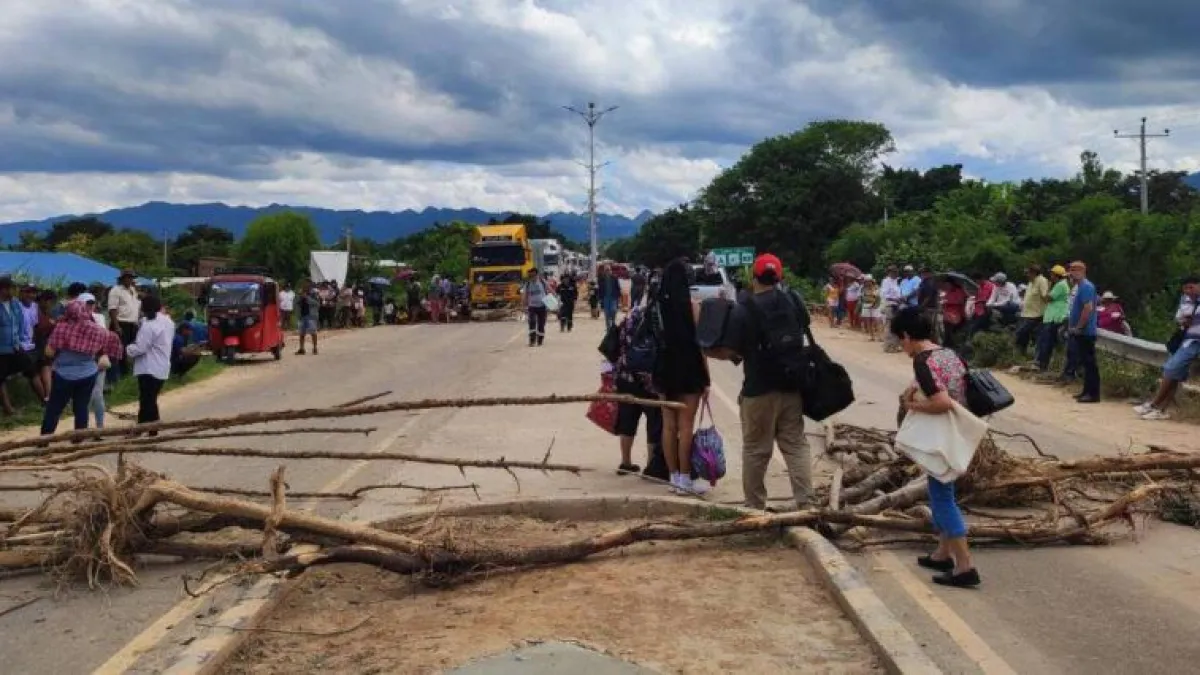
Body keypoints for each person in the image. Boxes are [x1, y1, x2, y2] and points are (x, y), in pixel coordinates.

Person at [707, 253, 812, 510]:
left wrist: (707, 350)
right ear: (780, 277)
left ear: (753, 277)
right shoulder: (794, 301)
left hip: (758, 388)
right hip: (792, 386)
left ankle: (755, 507)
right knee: (796, 445)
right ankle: (807, 504)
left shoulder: (745, 308)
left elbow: (730, 350)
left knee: (756, 449)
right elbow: (804, 328)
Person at [891, 307, 981, 588]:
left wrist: (912, 406)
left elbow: (941, 401)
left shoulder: (923, 361)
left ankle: (965, 566)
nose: (900, 345)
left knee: (942, 498)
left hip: (941, 436)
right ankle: (942, 553)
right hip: (958, 434)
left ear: (907, 335)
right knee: (944, 489)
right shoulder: (948, 354)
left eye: (899, 339)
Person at [653, 259, 711, 495]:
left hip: (664, 369)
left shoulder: (656, 306)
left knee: (668, 426)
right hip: (689, 369)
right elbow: (701, 347)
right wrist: (707, 380)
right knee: (685, 426)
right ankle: (686, 478)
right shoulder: (693, 307)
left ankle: (674, 477)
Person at [41, 300, 122, 436]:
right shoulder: (96, 329)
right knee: (81, 407)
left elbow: (49, 352)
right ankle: (79, 438)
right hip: (88, 373)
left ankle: (45, 439)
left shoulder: (62, 327)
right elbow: (111, 340)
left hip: (64, 374)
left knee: (54, 408)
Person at [1135, 276, 1200, 421]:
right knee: (1173, 373)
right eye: (1186, 288)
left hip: (1195, 341)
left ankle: (1155, 404)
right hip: (1186, 339)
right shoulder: (1187, 299)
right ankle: (1161, 409)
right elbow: (1179, 317)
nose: (1188, 291)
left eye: (1191, 287)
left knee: (1171, 370)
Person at [612, 303, 664, 477]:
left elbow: (617, 341)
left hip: (626, 377)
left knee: (627, 419)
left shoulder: (631, 315)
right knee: (655, 422)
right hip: (651, 380)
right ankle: (650, 465)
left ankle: (625, 462)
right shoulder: (661, 316)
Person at [126, 296, 174, 432]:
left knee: (147, 400)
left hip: (148, 367)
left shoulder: (149, 326)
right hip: (162, 365)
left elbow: (140, 348)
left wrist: (127, 349)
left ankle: (146, 428)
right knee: (149, 398)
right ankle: (149, 428)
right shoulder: (168, 321)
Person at [1067, 261, 1100, 403]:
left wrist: (1079, 327)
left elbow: (1088, 308)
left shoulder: (1086, 286)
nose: (1072, 273)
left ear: (1082, 271)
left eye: (1075, 270)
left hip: (1085, 332)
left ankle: (1093, 394)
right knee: (1085, 363)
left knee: (1089, 363)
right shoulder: (1079, 287)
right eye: (1071, 270)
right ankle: (1086, 391)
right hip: (1081, 332)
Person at [81, 293, 111, 430]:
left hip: (98, 359)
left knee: (97, 394)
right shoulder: (74, 320)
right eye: (87, 303)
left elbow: (104, 338)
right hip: (82, 362)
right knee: (84, 397)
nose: (90, 306)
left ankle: (99, 427)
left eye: (92, 303)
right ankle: (84, 427)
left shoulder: (99, 318)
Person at [107, 270, 142, 379]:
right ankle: (120, 374)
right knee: (120, 349)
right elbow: (112, 309)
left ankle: (129, 371)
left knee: (130, 348)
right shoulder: (116, 290)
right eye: (128, 277)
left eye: (132, 278)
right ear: (122, 278)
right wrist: (116, 326)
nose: (130, 280)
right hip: (121, 323)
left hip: (132, 323)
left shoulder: (132, 290)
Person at [16, 284, 47, 403]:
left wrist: (34, 342)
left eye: (33, 292)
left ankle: (47, 398)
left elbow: (35, 326)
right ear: (21, 292)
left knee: (43, 365)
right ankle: (44, 400)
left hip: (31, 345)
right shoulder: (16, 306)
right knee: (32, 372)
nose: (31, 295)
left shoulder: (34, 306)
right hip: (19, 345)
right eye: (28, 292)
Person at [1035, 265, 1070, 372]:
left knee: (1047, 342)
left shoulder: (1060, 285)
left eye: (1052, 274)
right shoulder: (1061, 284)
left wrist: (1042, 292)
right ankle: (1044, 364)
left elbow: (1048, 298)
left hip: (1055, 316)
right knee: (1048, 341)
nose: (1050, 276)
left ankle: (1043, 365)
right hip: (1053, 316)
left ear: (1056, 275)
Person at [1017, 266, 1050, 357]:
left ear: (1034, 273)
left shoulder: (1042, 280)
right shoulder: (1030, 282)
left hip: (1036, 314)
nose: (1026, 275)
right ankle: (1022, 354)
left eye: (1028, 273)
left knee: (1021, 332)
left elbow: (1045, 296)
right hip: (1026, 313)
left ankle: (1025, 353)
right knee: (1024, 334)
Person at [522, 268, 549, 347]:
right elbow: (524, 295)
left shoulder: (542, 282)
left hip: (542, 306)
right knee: (532, 322)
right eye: (530, 276)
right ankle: (532, 340)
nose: (532, 277)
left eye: (534, 275)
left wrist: (556, 300)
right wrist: (524, 306)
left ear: (537, 275)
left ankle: (540, 340)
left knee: (541, 324)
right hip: (532, 307)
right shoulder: (527, 284)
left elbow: (550, 290)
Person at [940, 279, 969, 349]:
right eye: (945, 285)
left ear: (952, 284)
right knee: (947, 330)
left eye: (947, 285)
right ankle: (946, 345)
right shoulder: (948, 291)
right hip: (947, 314)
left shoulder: (959, 291)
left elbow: (960, 301)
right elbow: (945, 301)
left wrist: (948, 302)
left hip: (956, 314)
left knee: (952, 331)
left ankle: (952, 345)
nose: (946, 286)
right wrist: (943, 302)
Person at [881, 266, 903, 353]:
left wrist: (900, 298)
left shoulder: (895, 281)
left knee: (896, 326)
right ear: (889, 272)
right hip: (890, 305)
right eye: (894, 272)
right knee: (890, 326)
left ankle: (894, 346)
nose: (896, 273)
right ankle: (888, 347)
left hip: (897, 305)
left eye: (896, 271)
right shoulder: (886, 281)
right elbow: (884, 294)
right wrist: (894, 299)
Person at [295, 279, 320, 356]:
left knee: (313, 332)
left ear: (310, 285)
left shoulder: (314, 293)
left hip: (311, 316)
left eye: (307, 283)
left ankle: (315, 348)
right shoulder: (300, 293)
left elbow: (317, 304)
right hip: (302, 315)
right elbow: (296, 302)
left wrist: (307, 298)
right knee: (301, 333)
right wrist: (300, 297)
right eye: (304, 283)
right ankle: (302, 348)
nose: (305, 285)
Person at [597, 264, 621, 330]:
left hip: (613, 297)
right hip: (605, 298)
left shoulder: (615, 278)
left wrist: (619, 298)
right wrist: (599, 298)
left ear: (611, 270)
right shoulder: (601, 279)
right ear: (604, 271)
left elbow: (618, 288)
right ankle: (608, 328)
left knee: (613, 310)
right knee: (607, 313)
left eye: (609, 270)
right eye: (606, 270)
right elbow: (599, 289)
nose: (608, 271)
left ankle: (613, 323)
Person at [860, 275, 882, 341]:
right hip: (866, 306)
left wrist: (875, 305)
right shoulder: (863, 288)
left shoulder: (876, 288)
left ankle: (879, 336)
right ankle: (871, 336)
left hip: (875, 306)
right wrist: (863, 302)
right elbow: (861, 298)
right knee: (868, 322)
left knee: (877, 321)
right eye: (866, 281)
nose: (867, 283)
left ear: (871, 281)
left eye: (868, 281)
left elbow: (878, 298)